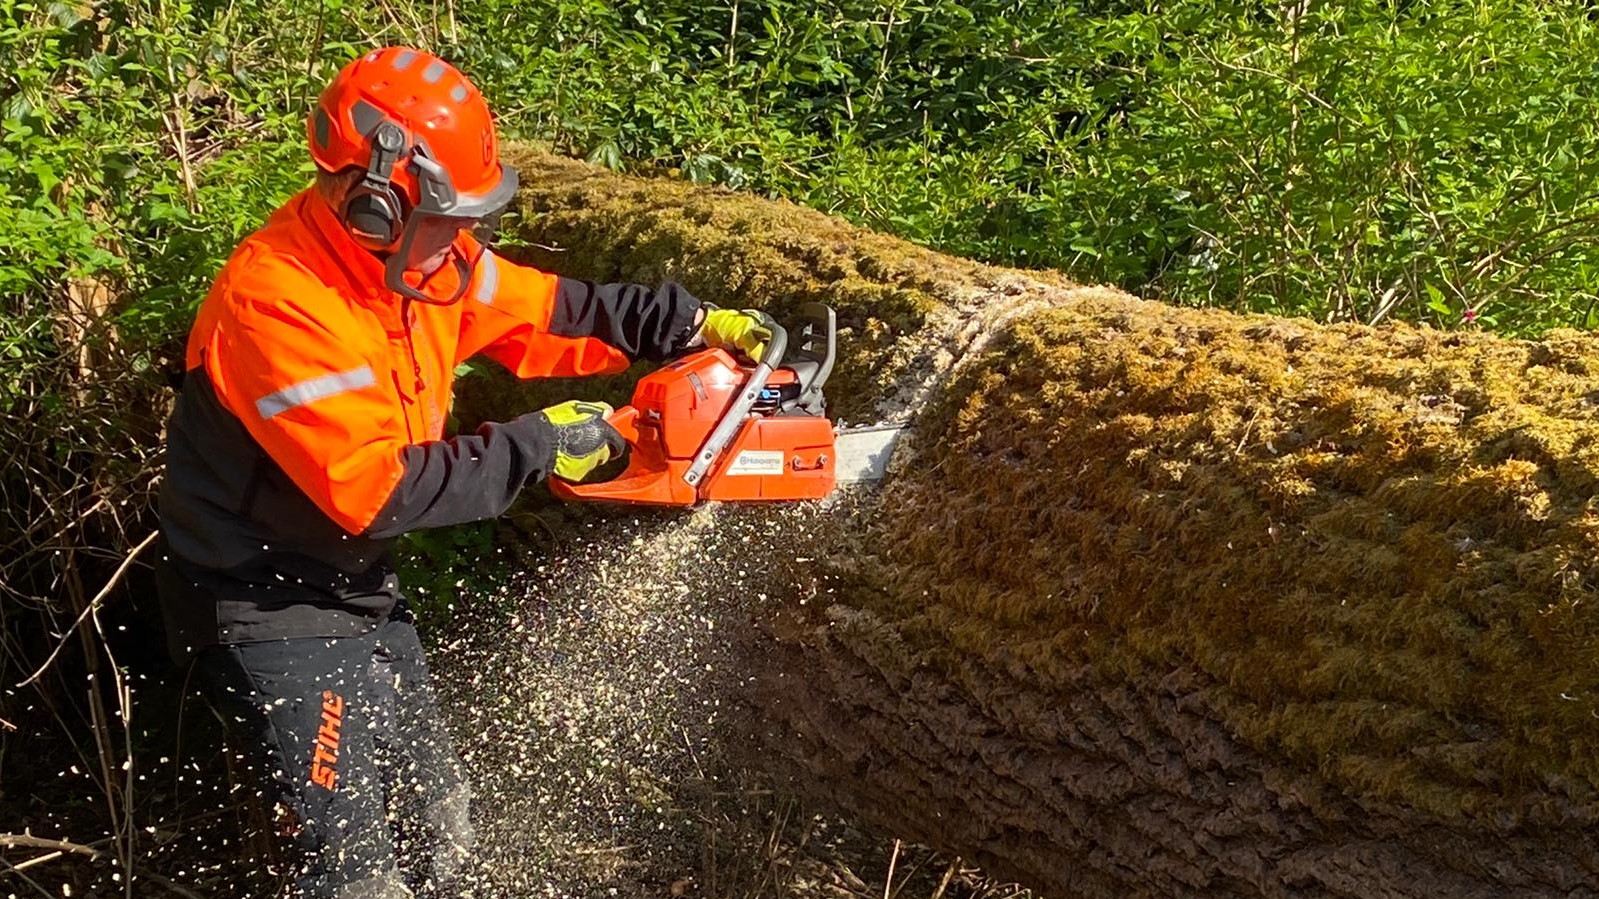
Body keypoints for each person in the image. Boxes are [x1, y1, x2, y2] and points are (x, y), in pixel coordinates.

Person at [154, 46, 771, 899]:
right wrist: (537, 447)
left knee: (439, 822)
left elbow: (545, 310)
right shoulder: (279, 302)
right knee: (354, 873)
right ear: (375, 204)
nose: (466, 242)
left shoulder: (421, 263)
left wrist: (684, 322)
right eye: (452, 217)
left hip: (355, 581)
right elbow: (377, 490)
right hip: (267, 600)